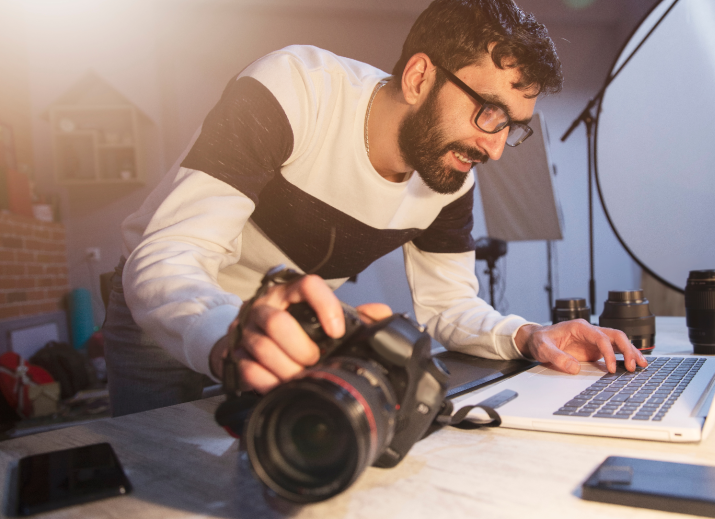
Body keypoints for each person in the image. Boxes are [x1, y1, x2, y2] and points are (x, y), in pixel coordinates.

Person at [102, 0, 648, 417]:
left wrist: (528, 335)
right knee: (154, 484)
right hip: (165, 311)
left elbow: (448, 305)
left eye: (513, 127)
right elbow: (171, 254)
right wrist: (227, 335)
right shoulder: (296, 90)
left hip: (289, 330)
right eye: (488, 111)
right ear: (419, 77)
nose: (496, 147)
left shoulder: (449, 177)